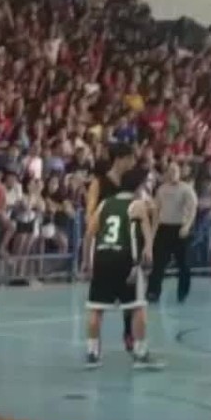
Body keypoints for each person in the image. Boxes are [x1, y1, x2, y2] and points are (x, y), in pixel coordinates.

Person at [83, 167, 163, 370]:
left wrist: (86, 260)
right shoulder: (137, 205)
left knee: (96, 307)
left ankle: (92, 353)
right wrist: (149, 251)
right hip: (126, 260)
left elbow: (89, 234)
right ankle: (140, 353)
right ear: (138, 186)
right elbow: (147, 232)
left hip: (102, 258)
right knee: (137, 307)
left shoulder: (104, 204)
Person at [85, 143, 137, 352]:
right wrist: (94, 233)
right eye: (130, 158)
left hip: (126, 244)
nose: (133, 163)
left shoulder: (130, 183)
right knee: (99, 303)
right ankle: (94, 347)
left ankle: (129, 334)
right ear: (120, 159)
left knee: (131, 298)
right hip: (105, 244)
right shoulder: (99, 183)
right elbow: (90, 212)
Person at [147, 162, 197, 303]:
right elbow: (157, 210)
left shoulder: (187, 189)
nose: (172, 173)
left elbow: (193, 209)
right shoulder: (161, 190)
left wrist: (187, 226)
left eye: (175, 170)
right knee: (158, 263)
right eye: (170, 170)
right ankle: (153, 292)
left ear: (179, 172)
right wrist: (153, 231)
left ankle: (182, 293)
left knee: (183, 264)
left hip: (180, 228)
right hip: (164, 228)